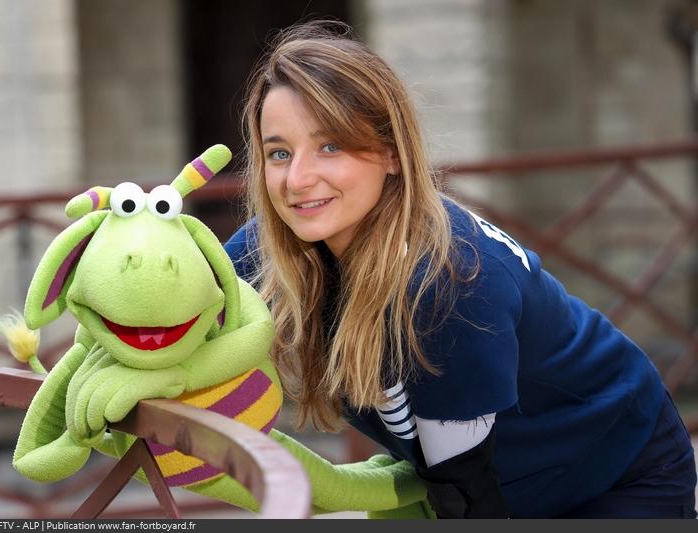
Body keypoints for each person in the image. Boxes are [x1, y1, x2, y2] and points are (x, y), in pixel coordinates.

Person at [222, 20, 697, 518]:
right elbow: (186, 299)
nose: (297, 179)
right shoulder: (280, 238)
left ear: (390, 152)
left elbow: (469, 499)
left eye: (330, 146)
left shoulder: (448, 282)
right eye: (279, 152)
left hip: (615, 473)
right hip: (508, 483)